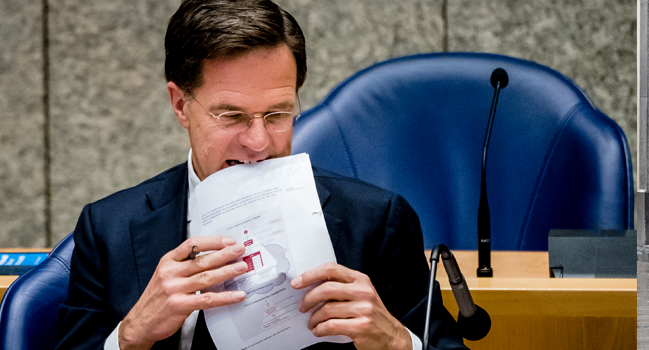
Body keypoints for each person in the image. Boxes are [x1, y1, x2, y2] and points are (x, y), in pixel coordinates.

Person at [51, 1, 467, 349]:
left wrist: (395, 339)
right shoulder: (109, 228)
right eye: (231, 116)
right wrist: (129, 336)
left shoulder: (375, 220)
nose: (258, 142)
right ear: (180, 105)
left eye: (277, 114)